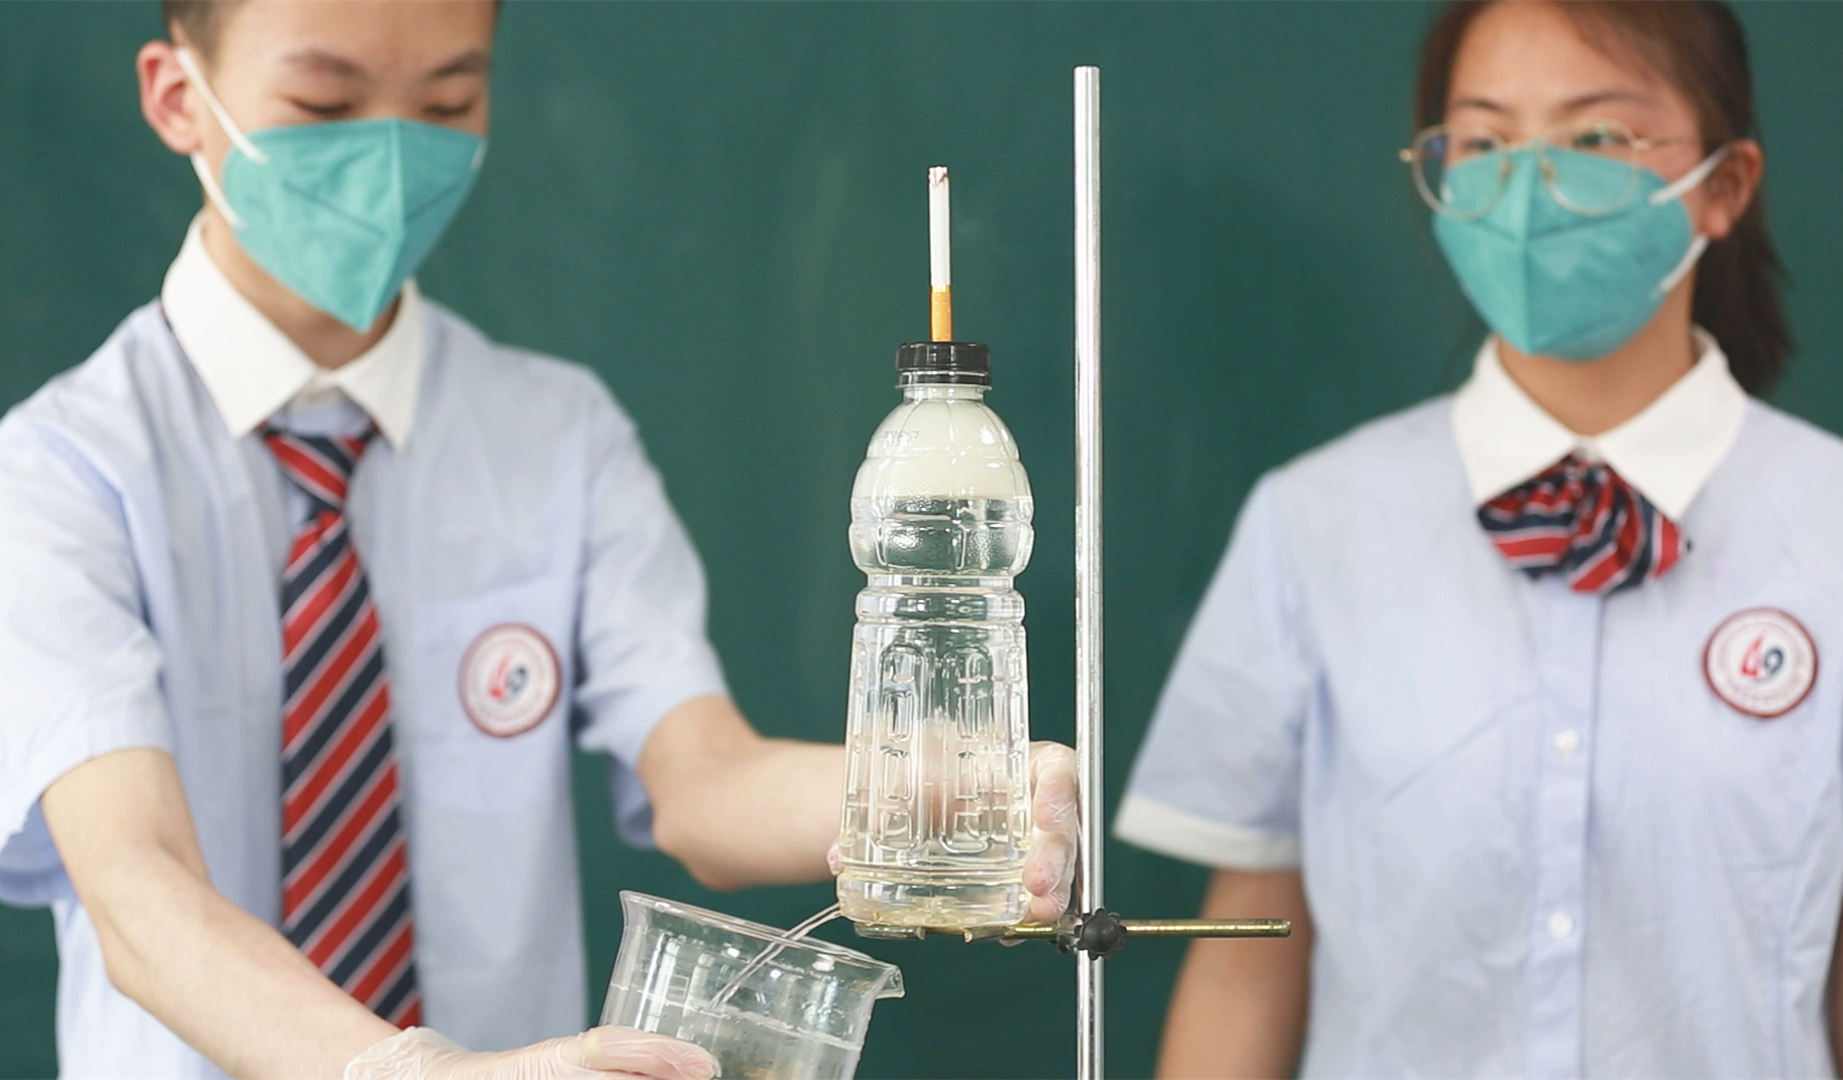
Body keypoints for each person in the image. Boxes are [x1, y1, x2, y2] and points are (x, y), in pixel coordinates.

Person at [0, 2, 1080, 1077]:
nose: (390, 155)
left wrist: (942, 784)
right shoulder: (61, 470)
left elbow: (702, 780)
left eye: (445, 104)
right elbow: (137, 886)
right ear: (176, 97)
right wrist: (413, 1074)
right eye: (325, 102)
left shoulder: (557, 437)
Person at [1116, 1, 1840, 1076]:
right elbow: (1246, 955)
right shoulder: (1316, 523)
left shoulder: (1825, 526)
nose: (1529, 189)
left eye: (1596, 136)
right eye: (1485, 141)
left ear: (1724, 184)